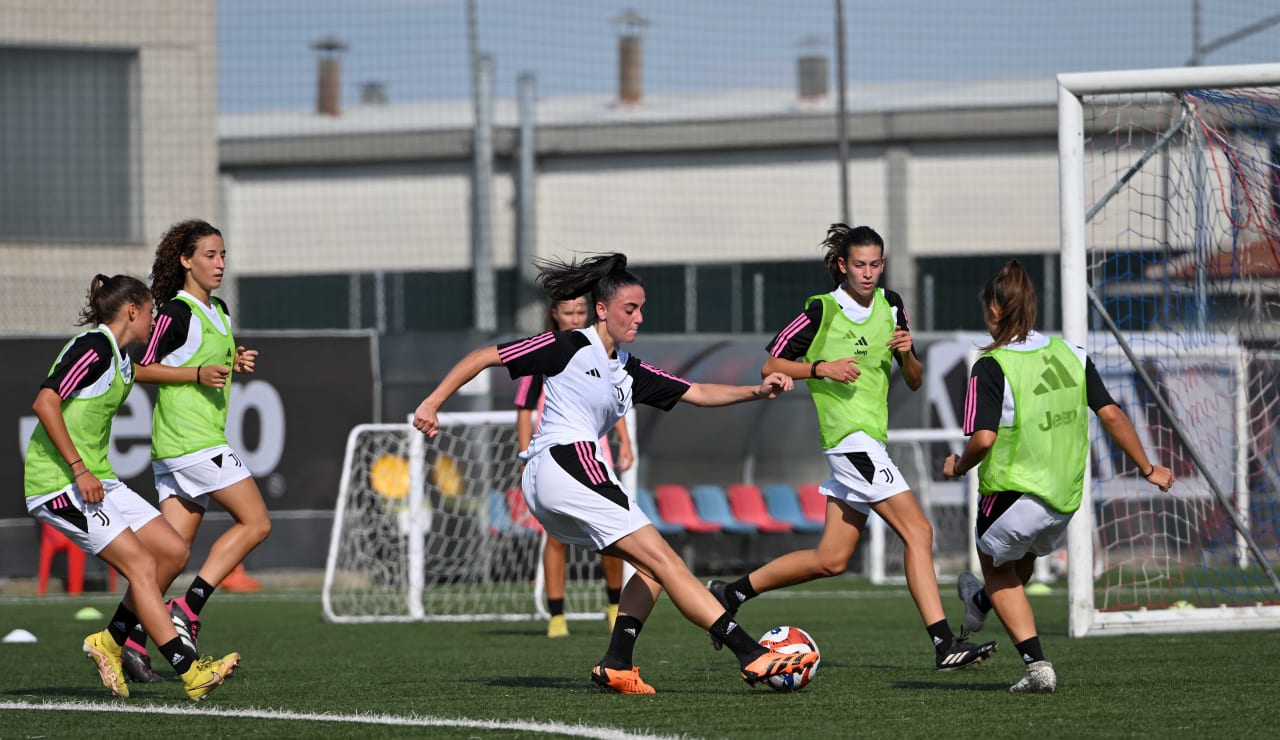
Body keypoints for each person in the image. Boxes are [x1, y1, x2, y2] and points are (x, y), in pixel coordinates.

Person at [412, 252, 818, 694]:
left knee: (649, 568)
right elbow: (483, 356)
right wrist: (433, 402)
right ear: (602, 309)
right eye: (631, 308)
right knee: (666, 559)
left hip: (560, 478)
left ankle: (617, 662)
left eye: (642, 308)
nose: (639, 317)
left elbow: (697, 391)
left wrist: (758, 391)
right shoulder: (569, 345)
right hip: (565, 462)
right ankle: (752, 654)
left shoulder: (629, 370)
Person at [706, 224, 997, 670]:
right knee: (918, 532)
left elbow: (915, 382)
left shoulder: (892, 305)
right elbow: (770, 364)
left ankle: (731, 593)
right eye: (859, 265)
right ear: (842, 266)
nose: (868, 273)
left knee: (831, 559)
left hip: (870, 440)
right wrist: (822, 368)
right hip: (849, 442)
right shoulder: (821, 310)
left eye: (875, 264)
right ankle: (944, 644)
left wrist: (907, 354)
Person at [942, 259, 1175, 693]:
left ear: (994, 311)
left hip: (1012, 492)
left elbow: (985, 439)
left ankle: (1036, 665)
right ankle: (978, 603)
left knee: (997, 572)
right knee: (1018, 563)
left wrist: (957, 465)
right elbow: (1111, 413)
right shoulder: (1072, 353)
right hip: (1064, 498)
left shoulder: (992, 365)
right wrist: (1148, 468)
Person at [23, 274, 239, 700]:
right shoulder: (93, 347)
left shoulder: (118, 357)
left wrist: (200, 371)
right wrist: (79, 469)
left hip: (98, 479)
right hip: (60, 483)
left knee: (173, 552)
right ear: (132, 311)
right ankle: (191, 671)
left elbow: (145, 371)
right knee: (141, 565)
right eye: (150, 311)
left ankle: (108, 642)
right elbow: (45, 402)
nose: (156, 319)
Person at [121, 219, 271, 683]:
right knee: (258, 522)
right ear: (186, 261)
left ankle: (126, 637)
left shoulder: (219, 309)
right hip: (190, 442)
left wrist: (234, 362)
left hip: (191, 443)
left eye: (223, 254)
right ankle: (188, 607)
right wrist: (196, 375)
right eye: (210, 255)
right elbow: (136, 369)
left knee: (170, 555)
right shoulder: (173, 312)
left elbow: (205, 363)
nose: (220, 263)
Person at [514, 295, 634, 638]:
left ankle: (614, 606)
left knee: (614, 534)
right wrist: (525, 455)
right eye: (568, 311)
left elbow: (613, 400)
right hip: (554, 456)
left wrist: (624, 440)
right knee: (555, 537)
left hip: (594, 453)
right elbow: (525, 409)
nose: (574, 317)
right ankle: (557, 615)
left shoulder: (600, 351)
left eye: (580, 311)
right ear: (554, 314)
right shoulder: (546, 352)